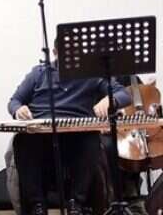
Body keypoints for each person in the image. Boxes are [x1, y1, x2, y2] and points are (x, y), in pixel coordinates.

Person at [8, 41, 131, 215]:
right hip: (41, 133)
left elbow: (124, 94)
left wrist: (110, 99)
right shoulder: (38, 73)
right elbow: (14, 101)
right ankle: (37, 205)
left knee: (91, 139)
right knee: (22, 140)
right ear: (55, 52)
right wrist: (18, 109)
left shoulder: (91, 74)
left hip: (76, 134)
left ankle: (76, 203)